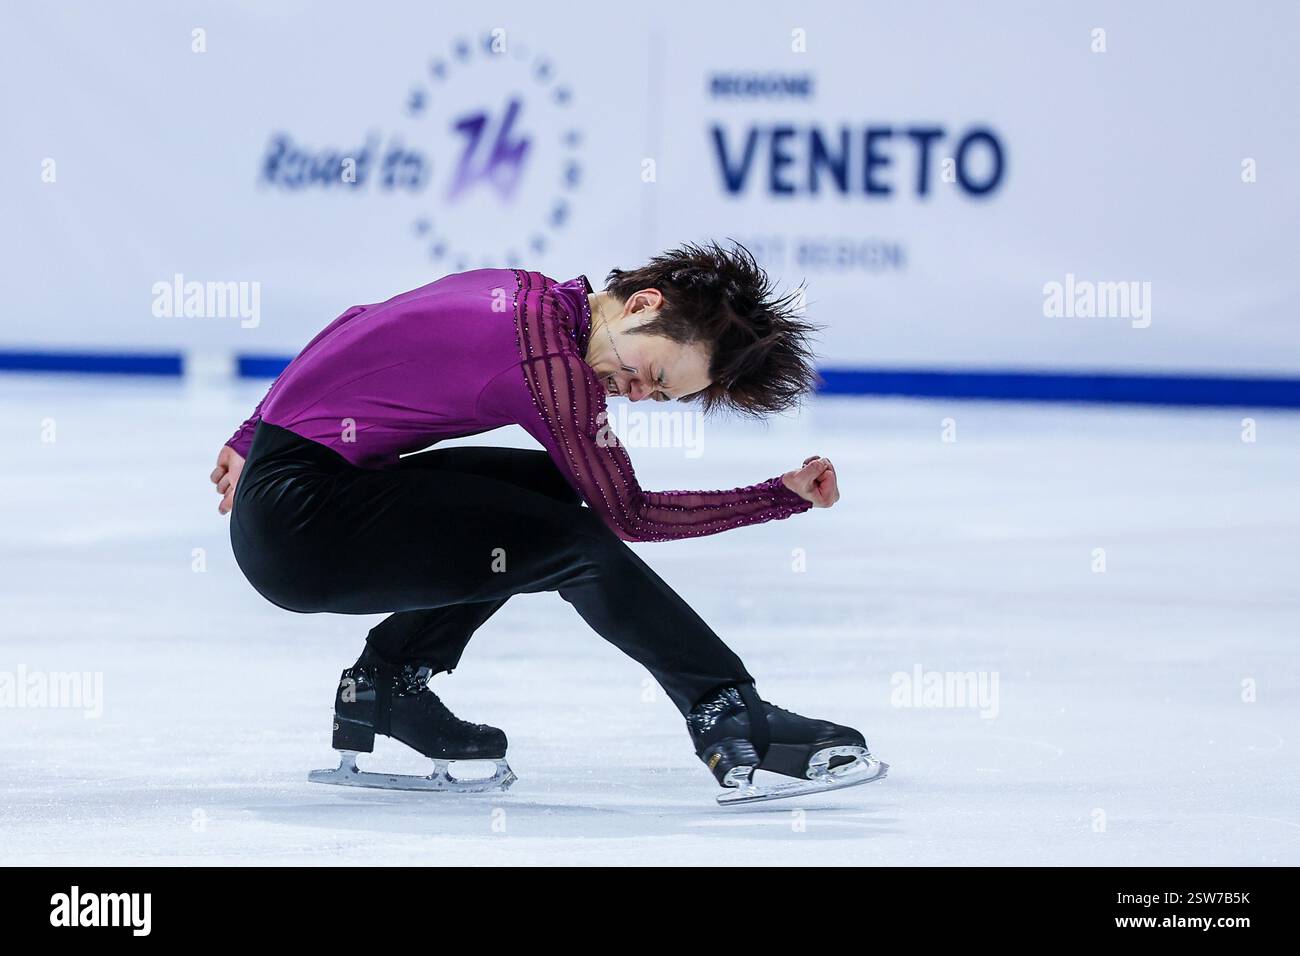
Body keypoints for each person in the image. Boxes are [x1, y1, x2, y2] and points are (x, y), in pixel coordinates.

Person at [211, 240, 884, 801]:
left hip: (301, 484)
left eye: (662, 396)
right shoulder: (550, 364)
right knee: (574, 540)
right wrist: (780, 495)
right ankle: (725, 707)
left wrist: (255, 432)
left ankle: (385, 684)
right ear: (645, 304)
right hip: (303, 528)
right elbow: (632, 516)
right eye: (653, 373)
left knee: (554, 494)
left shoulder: (523, 291)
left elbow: (359, 319)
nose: (640, 394)